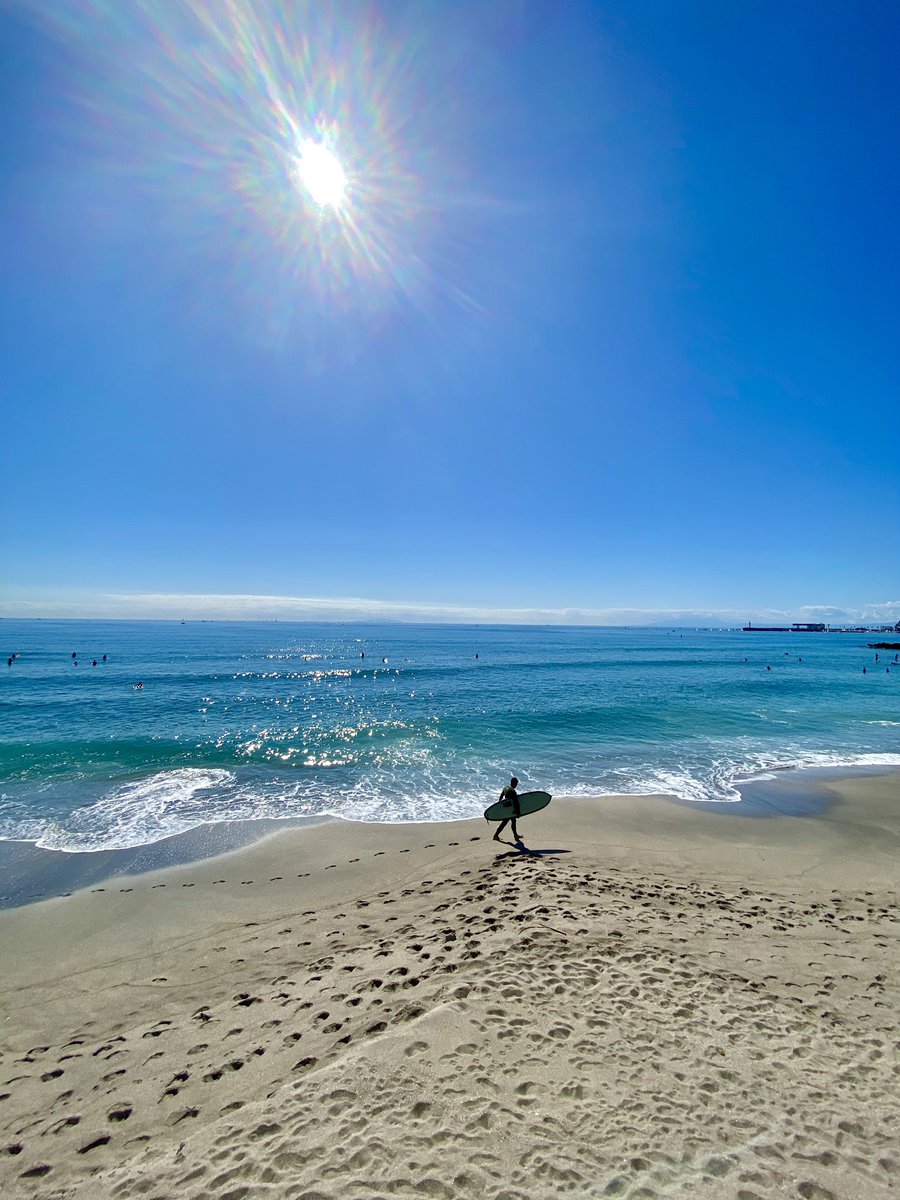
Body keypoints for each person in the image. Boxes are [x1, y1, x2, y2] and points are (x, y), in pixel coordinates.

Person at [493, 776, 522, 843]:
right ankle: (495, 835)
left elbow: (501, 796)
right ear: (515, 784)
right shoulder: (513, 791)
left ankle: (515, 835)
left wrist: (499, 806)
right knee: (504, 823)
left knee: (513, 821)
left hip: (507, 808)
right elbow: (516, 803)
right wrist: (518, 812)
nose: (516, 785)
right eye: (516, 784)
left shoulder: (506, 788)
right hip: (510, 810)